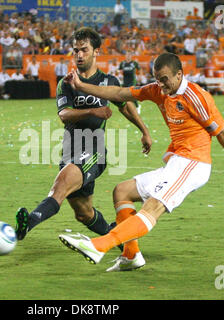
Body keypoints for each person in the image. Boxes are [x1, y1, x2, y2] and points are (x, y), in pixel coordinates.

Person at [59, 52, 224, 271]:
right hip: (178, 161)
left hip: (194, 163)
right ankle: (131, 255)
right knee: (122, 191)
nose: (160, 83)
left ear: (179, 75)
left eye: (164, 78)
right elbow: (118, 92)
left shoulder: (195, 96)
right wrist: (81, 85)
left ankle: (98, 246)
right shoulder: (158, 90)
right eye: (157, 78)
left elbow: (222, 132)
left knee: (153, 206)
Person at [14, 27, 151, 242]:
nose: (79, 55)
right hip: (70, 151)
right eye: (75, 50)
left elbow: (125, 106)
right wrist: (92, 111)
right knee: (84, 213)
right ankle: (120, 241)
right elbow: (64, 115)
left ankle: (26, 225)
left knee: (59, 187)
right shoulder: (67, 83)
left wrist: (144, 131)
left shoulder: (108, 82)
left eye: (84, 50)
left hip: (94, 151)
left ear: (96, 51)